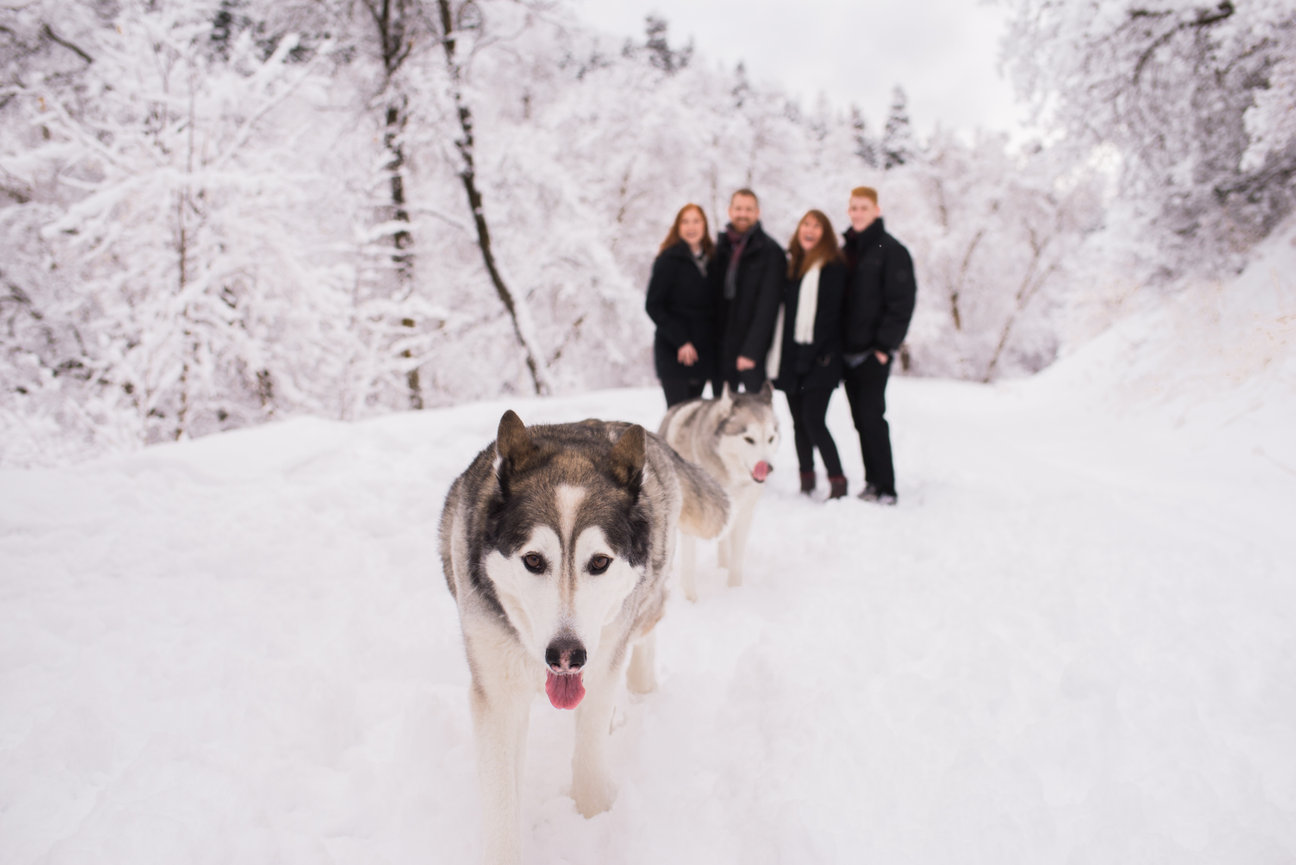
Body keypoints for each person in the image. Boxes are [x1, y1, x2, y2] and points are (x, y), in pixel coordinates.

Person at [841, 186, 917, 505]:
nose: (858, 213)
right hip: (847, 352)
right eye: (853, 207)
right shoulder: (847, 249)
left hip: (874, 354)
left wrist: (884, 348)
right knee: (860, 420)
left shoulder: (891, 249)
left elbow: (902, 303)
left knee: (873, 417)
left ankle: (886, 486)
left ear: (877, 210)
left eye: (864, 207)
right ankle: (871, 482)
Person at [771, 210, 850, 500]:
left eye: (817, 226)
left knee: (814, 419)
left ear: (825, 234)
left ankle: (838, 481)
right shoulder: (795, 266)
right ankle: (806, 479)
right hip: (792, 360)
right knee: (798, 422)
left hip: (821, 360)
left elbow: (829, 317)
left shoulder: (832, 266)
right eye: (806, 224)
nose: (810, 230)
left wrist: (811, 355)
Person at [712, 189, 786, 394]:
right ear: (730, 211)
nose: (742, 214)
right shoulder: (720, 247)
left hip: (752, 352)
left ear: (757, 212)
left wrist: (751, 351)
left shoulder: (771, 252)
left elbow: (768, 307)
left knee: (756, 416)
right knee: (722, 415)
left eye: (748, 209)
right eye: (738, 208)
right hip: (722, 348)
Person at [645, 204, 718, 407]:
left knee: (694, 418)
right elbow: (653, 305)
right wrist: (681, 340)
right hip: (674, 352)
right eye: (685, 222)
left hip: (702, 353)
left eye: (696, 221)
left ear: (704, 225)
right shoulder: (668, 260)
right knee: (678, 416)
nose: (691, 227)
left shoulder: (713, 259)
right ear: (678, 226)